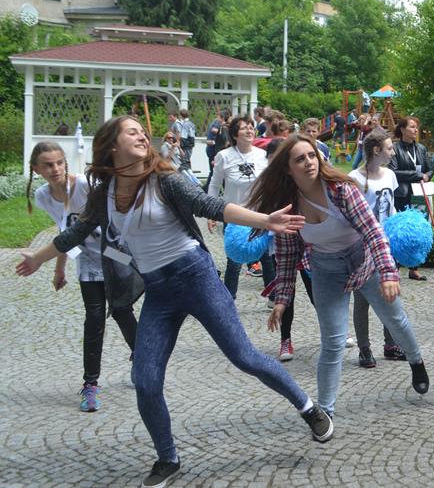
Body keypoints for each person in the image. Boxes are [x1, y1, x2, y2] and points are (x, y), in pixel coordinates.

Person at [16, 116, 331, 488]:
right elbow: (77, 232)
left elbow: (211, 205)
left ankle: (308, 408)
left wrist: (265, 220)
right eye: (131, 132)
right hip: (159, 291)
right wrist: (38, 258)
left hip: (196, 276)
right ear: (112, 145)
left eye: (141, 131)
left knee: (243, 356)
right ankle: (167, 458)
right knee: (145, 379)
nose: (141, 135)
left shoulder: (164, 179)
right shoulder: (105, 192)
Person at [250, 134, 430, 418]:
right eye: (300, 159)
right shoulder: (287, 206)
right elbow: (286, 256)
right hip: (326, 270)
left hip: (364, 262)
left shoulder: (340, 190)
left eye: (312, 155)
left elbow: (373, 231)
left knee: (395, 319)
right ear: (288, 168)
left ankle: (416, 360)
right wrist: (282, 299)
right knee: (333, 343)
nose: (309, 162)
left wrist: (388, 272)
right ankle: (325, 413)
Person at [25, 141, 138, 413]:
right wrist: (59, 269)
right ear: (36, 169)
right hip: (86, 261)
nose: (55, 169)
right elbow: (65, 233)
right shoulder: (43, 196)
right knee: (94, 318)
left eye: (59, 163)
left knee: (122, 310)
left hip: (114, 254)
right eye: (48, 165)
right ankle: (90, 384)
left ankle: (143, 361)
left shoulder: (85, 185)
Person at [349, 128, 406, 366]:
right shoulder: (354, 178)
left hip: (387, 244)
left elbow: (391, 207)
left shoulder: (390, 175)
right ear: (376, 150)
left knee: (389, 294)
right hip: (362, 246)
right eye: (390, 148)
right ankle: (364, 348)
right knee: (362, 300)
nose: (393, 152)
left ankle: (391, 344)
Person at [206, 117, 277, 304]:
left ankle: (273, 297)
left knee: (266, 256)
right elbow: (214, 184)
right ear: (234, 134)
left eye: (251, 127)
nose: (249, 130)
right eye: (244, 128)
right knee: (234, 260)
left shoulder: (262, 155)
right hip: (235, 214)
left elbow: (272, 183)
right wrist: (211, 212)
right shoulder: (224, 156)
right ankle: (229, 299)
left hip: (259, 213)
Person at [389, 116, 433, 281]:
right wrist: (417, 175)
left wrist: (427, 176)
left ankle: (414, 268)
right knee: (400, 231)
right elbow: (394, 172)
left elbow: (430, 169)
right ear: (402, 129)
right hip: (402, 195)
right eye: (412, 127)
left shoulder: (421, 148)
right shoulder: (395, 148)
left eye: (416, 127)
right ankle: (395, 267)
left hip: (419, 194)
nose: (416, 130)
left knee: (417, 231)